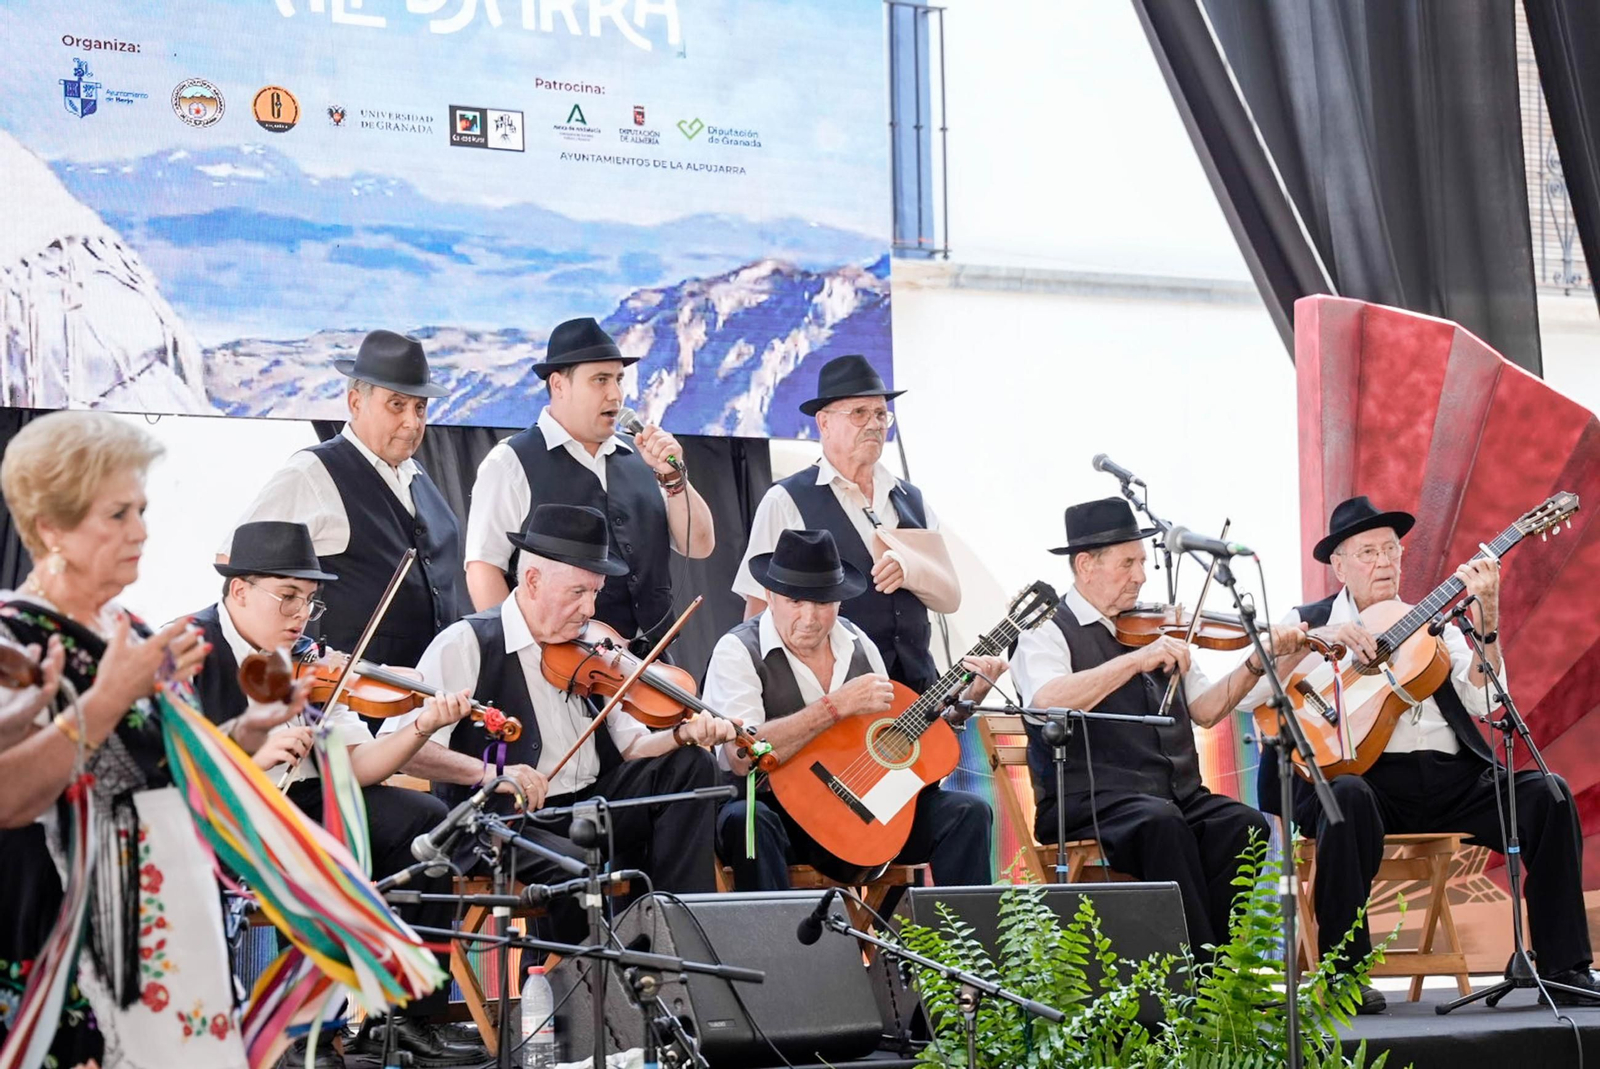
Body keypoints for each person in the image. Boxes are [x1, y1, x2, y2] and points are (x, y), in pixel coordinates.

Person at [1247, 495, 1600, 1012]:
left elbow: (1485, 700)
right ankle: (1344, 976)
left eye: (1392, 550)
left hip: (1451, 778)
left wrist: (1488, 620)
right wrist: (1313, 639)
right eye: (1368, 552)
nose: (1385, 562)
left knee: (1548, 794)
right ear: (1339, 565)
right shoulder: (1305, 621)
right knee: (1345, 797)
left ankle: (1564, 965)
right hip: (1361, 778)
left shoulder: (1430, 620)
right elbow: (1249, 691)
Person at [189, 521, 486, 1067]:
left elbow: (357, 767)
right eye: (287, 597)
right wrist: (249, 757)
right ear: (238, 591)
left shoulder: (311, 662)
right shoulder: (187, 648)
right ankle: (306, 1037)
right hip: (216, 817)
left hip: (299, 807)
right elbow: (162, 769)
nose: (300, 615)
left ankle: (402, 1019)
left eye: (309, 601)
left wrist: (417, 728)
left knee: (426, 821)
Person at [0, 411, 232, 1069]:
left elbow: (154, 775)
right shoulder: (12, 639)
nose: (142, 531)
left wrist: (248, 737)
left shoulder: (128, 626)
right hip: (61, 940)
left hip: (159, 928)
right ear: (51, 528)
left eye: (143, 509)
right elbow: (7, 795)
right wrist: (105, 701)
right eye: (118, 514)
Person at [1009, 497, 1308, 960]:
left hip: (1173, 794)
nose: (1142, 575)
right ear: (1085, 565)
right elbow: (1048, 700)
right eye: (1128, 562)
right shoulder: (1046, 628)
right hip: (1089, 799)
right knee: (1162, 825)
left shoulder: (1153, 627)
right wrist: (1135, 661)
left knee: (1244, 826)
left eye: (1143, 561)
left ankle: (1219, 965)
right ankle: (1194, 975)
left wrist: (1253, 663)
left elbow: (1206, 710)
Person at [386, 504, 737, 896]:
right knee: (576, 868)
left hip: (594, 806)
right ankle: (588, 959)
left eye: (595, 594)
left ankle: (673, 925)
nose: (589, 609)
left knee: (691, 765)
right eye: (578, 592)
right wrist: (491, 777)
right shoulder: (467, 643)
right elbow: (406, 748)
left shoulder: (595, 647)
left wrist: (680, 735)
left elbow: (634, 746)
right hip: (510, 821)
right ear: (533, 580)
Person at [704, 528, 1000, 890]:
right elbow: (741, 755)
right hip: (774, 811)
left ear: (839, 602)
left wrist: (964, 705)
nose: (810, 618)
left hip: (858, 812)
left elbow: (896, 732)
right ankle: (776, 946)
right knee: (746, 821)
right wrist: (834, 706)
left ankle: (968, 945)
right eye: (796, 602)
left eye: (823, 604)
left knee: (967, 813)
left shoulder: (859, 644)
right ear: (770, 595)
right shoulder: (736, 650)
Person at [222, 330, 465, 678]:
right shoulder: (310, 473)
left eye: (420, 407)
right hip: (348, 701)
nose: (412, 422)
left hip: (428, 694)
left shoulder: (419, 476)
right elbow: (233, 558)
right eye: (397, 404)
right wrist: (298, 657)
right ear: (355, 402)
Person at [463, 318, 714, 650]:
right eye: (600, 380)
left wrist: (674, 477)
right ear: (559, 385)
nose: (616, 394)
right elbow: (483, 568)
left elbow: (699, 545)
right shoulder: (510, 461)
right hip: (558, 664)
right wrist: (518, 657)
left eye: (618, 379)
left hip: (646, 662)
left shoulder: (639, 456)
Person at [736, 355, 946, 690]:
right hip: (831, 693)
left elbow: (945, 591)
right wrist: (760, 689)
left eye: (880, 414)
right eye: (859, 413)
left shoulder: (912, 500)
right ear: (824, 423)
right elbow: (759, 607)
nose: (875, 424)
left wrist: (914, 570)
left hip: (916, 691)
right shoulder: (785, 500)